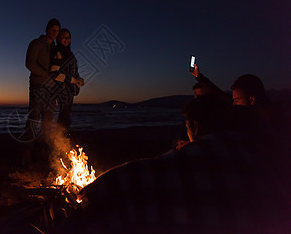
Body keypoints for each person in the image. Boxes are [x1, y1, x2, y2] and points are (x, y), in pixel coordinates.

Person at [61, 95, 290, 232]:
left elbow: (146, 174)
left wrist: (91, 191)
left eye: (187, 126)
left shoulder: (199, 157)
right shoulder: (262, 154)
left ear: (195, 126)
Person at [23, 18, 61, 166]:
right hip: (38, 86)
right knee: (34, 118)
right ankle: (26, 153)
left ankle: (42, 152)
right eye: (53, 29)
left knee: (48, 121)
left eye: (57, 31)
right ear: (47, 29)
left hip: (52, 89)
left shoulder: (55, 48)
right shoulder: (36, 43)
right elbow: (29, 63)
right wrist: (45, 75)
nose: (54, 33)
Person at [50, 28, 84, 132]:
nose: (66, 39)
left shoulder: (71, 55)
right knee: (63, 116)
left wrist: (79, 79)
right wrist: (73, 80)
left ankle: (62, 139)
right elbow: (54, 73)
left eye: (68, 38)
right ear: (59, 39)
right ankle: (58, 140)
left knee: (66, 117)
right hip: (60, 91)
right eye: (64, 37)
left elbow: (75, 72)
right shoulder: (57, 52)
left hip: (70, 91)